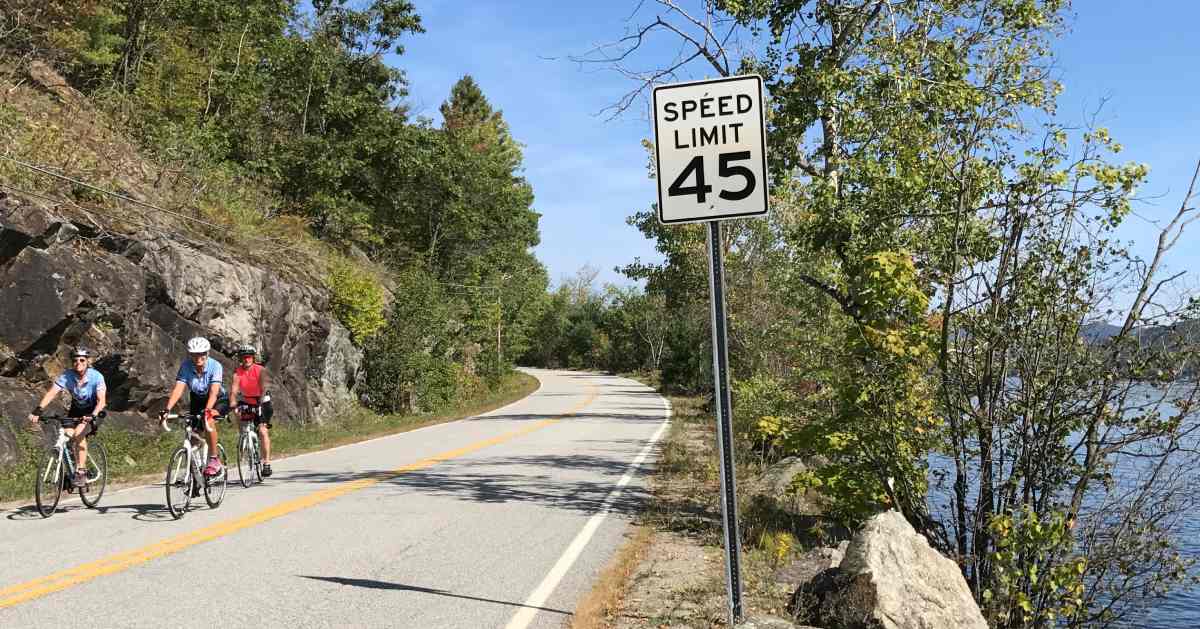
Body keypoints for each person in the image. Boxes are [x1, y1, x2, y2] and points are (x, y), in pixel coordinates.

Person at [28, 347, 107, 489]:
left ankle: (81, 471)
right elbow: (52, 393)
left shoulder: (97, 376)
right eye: (75, 360)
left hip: (95, 412)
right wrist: (38, 409)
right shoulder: (67, 376)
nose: (78, 363)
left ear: (87, 361)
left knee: (78, 434)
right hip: (76, 412)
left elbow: (102, 401)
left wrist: (92, 415)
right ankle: (70, 470)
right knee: (67, 436)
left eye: (82, 360)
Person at [160, 336, 228, 476]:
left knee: (208, 420)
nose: (198, 357)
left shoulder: (215, 366)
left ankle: (214, 459)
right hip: (197, 399)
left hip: (217, 399)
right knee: (193, 437)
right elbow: (179, 389)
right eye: (194, 354)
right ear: (190, 355)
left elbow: (214, 392)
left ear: (207, 353)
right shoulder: (186, 366)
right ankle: (193, 478)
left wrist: (208, 410)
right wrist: (167, 409)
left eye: (202, 354)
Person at [229, 343, 274, 478]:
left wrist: (259, 402)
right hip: (246, 401)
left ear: (253, 358)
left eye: (249, 357)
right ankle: (243, 436)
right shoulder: (237, 373)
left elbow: (264, 387)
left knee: (262, 430)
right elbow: (234, 389)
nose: (246, 359)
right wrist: (233, 403)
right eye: (243, 357)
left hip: (262, 402)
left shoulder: (260, 370)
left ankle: (266, 463)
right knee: (238, 413)